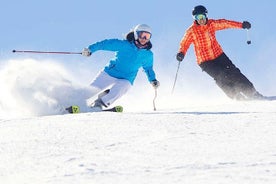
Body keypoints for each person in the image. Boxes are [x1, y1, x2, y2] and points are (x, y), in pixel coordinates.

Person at [176, 5, 266, 100]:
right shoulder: (192, 31)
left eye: (202, 16)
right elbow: (184, 43)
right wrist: (181, 53)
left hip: (218, 55)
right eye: (197, 17)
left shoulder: (212, 24)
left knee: (233, 72)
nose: (200, 20)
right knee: (221, 75)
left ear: (206, 15)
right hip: (205, 61)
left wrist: (241, 25)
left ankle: (252, 93)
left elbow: (226, 23)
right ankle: (236, 96)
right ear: (195, 19)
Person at [67, 24, 160, 113]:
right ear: (136, 34)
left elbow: (148, 69)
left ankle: (99, 104)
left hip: (126, 78)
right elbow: (105, 44)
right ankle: (69, 102)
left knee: (123, 87)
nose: (144, 39)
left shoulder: (148, 55)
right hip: (109, 73)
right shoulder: (124, 45)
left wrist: (153, 80)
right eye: (142, 35)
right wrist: (90, 49)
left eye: (147, 36)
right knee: (90, 91)